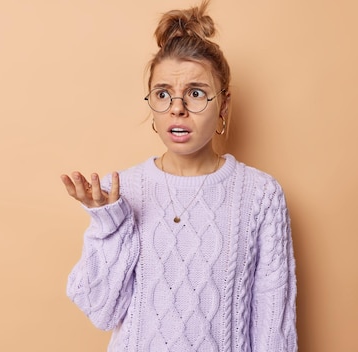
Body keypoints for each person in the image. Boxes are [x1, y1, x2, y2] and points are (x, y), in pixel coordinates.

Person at [60, 1, 297, 351]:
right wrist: (108, 225)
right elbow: (101, 311)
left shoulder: (259, 195)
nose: (177, 108)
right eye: (163, 94)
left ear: (224, 106)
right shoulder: (120, 193)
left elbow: (272, 326)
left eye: (196, 93)